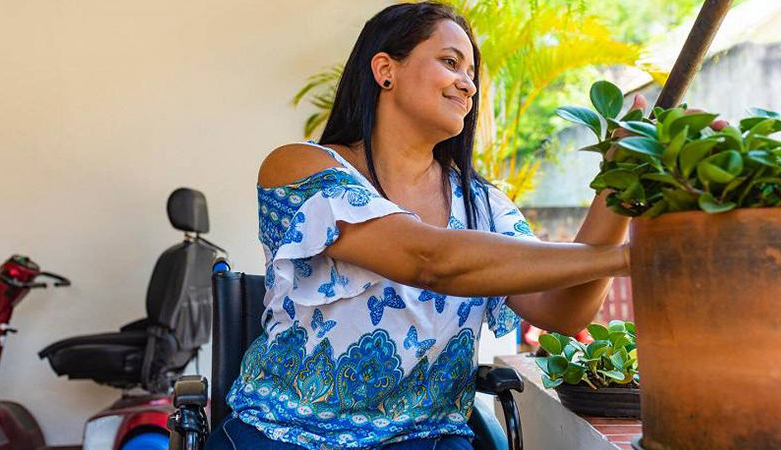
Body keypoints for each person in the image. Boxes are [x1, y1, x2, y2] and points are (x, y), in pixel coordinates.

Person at [207, 2, 640, 449]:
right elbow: (427, 260)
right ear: (385, 70)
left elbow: (564, 310)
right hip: (281, 436)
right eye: (451, 62)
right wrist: (630, 259)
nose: (468, 84)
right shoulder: (299, 168)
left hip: (424, 439)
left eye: (472, 73)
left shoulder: (482, 204)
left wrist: (618, 187)